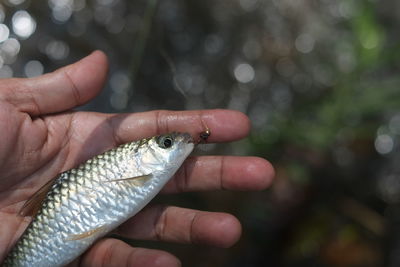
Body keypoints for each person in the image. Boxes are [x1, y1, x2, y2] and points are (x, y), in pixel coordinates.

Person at [0, 51, 274, 267]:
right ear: (141, 156)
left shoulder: (149, 171)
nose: (177, 142)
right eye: (167, 143)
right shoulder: (143, 171)